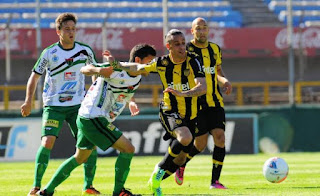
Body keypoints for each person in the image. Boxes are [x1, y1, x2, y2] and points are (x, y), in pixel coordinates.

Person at [37, 44, 157, 196]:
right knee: (128, 149)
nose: (151, 66)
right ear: (138, 60)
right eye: (149, 62)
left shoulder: (137, 76)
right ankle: (119, 191)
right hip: (93, 116)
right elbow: (84, 69)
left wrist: (131, 101)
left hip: (88, 117)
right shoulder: (115, 69)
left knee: (79, 157)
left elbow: (123, 88)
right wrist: (99, 70)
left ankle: (46, 191)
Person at [20, 13, 101, 195]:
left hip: (78, 106)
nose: (71, 32)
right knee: (47, 142)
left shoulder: (85, 50)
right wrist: (28, 101)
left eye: (73, 29)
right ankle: (36, 186)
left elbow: (95, 71)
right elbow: (34, 77)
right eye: (67, 29)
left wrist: (94, 92)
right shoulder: (49, 53)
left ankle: (88, 186)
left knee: (89, 144)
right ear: (58, 31)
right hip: (54, 106)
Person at [123, 29, 207, 196]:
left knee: (181, 159)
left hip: (191, 114)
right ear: (168, 46)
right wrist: (114, 65)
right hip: (169, 110)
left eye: (183, 43)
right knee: (185, 137)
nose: (182, 47)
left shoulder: (194, 61)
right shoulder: (161, 63)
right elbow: (138, 68)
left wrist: (184, 93)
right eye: (177, 44)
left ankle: (155, 183)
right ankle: (159, 169)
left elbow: (202, 87)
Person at [174, 17, 233, 189]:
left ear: (208, 30)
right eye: (198, 28)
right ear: (192, 31)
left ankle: (215, 181)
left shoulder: (215, 49)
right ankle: (182, 164)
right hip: (196, 104)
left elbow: (218, 71)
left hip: (215, 102)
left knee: (220, 138)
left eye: (204, 28)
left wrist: (225, 81)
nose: (201, 31)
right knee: (199, 144)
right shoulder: (186, 49)